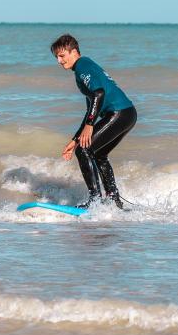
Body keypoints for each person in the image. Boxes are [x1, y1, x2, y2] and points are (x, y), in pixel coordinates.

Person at [51, 34, 137, 209]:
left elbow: (99, 94)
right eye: (56, 57)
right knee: (98, 154)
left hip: (118, 113)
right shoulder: (84, 68)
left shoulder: (83, 66)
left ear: (73, 51)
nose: (59, 61)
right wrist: (74, 140)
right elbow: (92, 108)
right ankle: (114, 201)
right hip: (127, 114)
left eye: (62, 56)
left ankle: (95, 201)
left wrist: (90, 125)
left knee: (84, 151)